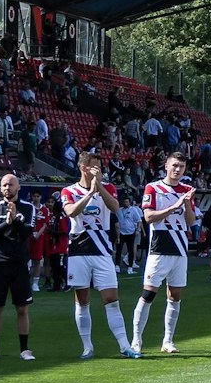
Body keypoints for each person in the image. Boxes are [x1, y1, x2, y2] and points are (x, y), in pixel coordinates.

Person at [59, 153, 137, 360]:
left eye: (100, 167)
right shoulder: (69, 191)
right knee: (82, 300)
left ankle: (124, 346)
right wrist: (89, 193)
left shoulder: (108, 188)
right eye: (95, 167)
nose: (99, 171)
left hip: (102, 250)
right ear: (83, 168)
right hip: (78, 251)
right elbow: (71, 213)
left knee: (111, 299)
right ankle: (87, 347)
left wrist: (99, 187)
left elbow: (115, 208)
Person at [131, 152, 196, 355]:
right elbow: (148, 217)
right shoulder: (154, 188)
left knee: (175, 295)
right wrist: (173, 206)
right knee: (148, 293)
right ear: (166, 166)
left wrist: (185, 203)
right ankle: (136, 340)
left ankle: (168, 340)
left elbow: (190, 221)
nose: (178, 170)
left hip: (179, 249)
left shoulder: (186, 190)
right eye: (175, 165)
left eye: (182, 167)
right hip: (159, 248)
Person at [0, 174, 36, 361]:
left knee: (22, 308)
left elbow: (28, 232)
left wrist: (16, 219)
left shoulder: (28, 208)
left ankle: (25, 349)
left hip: (19, 263)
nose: (7, 188)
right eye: (4, 185)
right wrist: (7, 221)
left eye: (11, 185)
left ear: (18, 187)